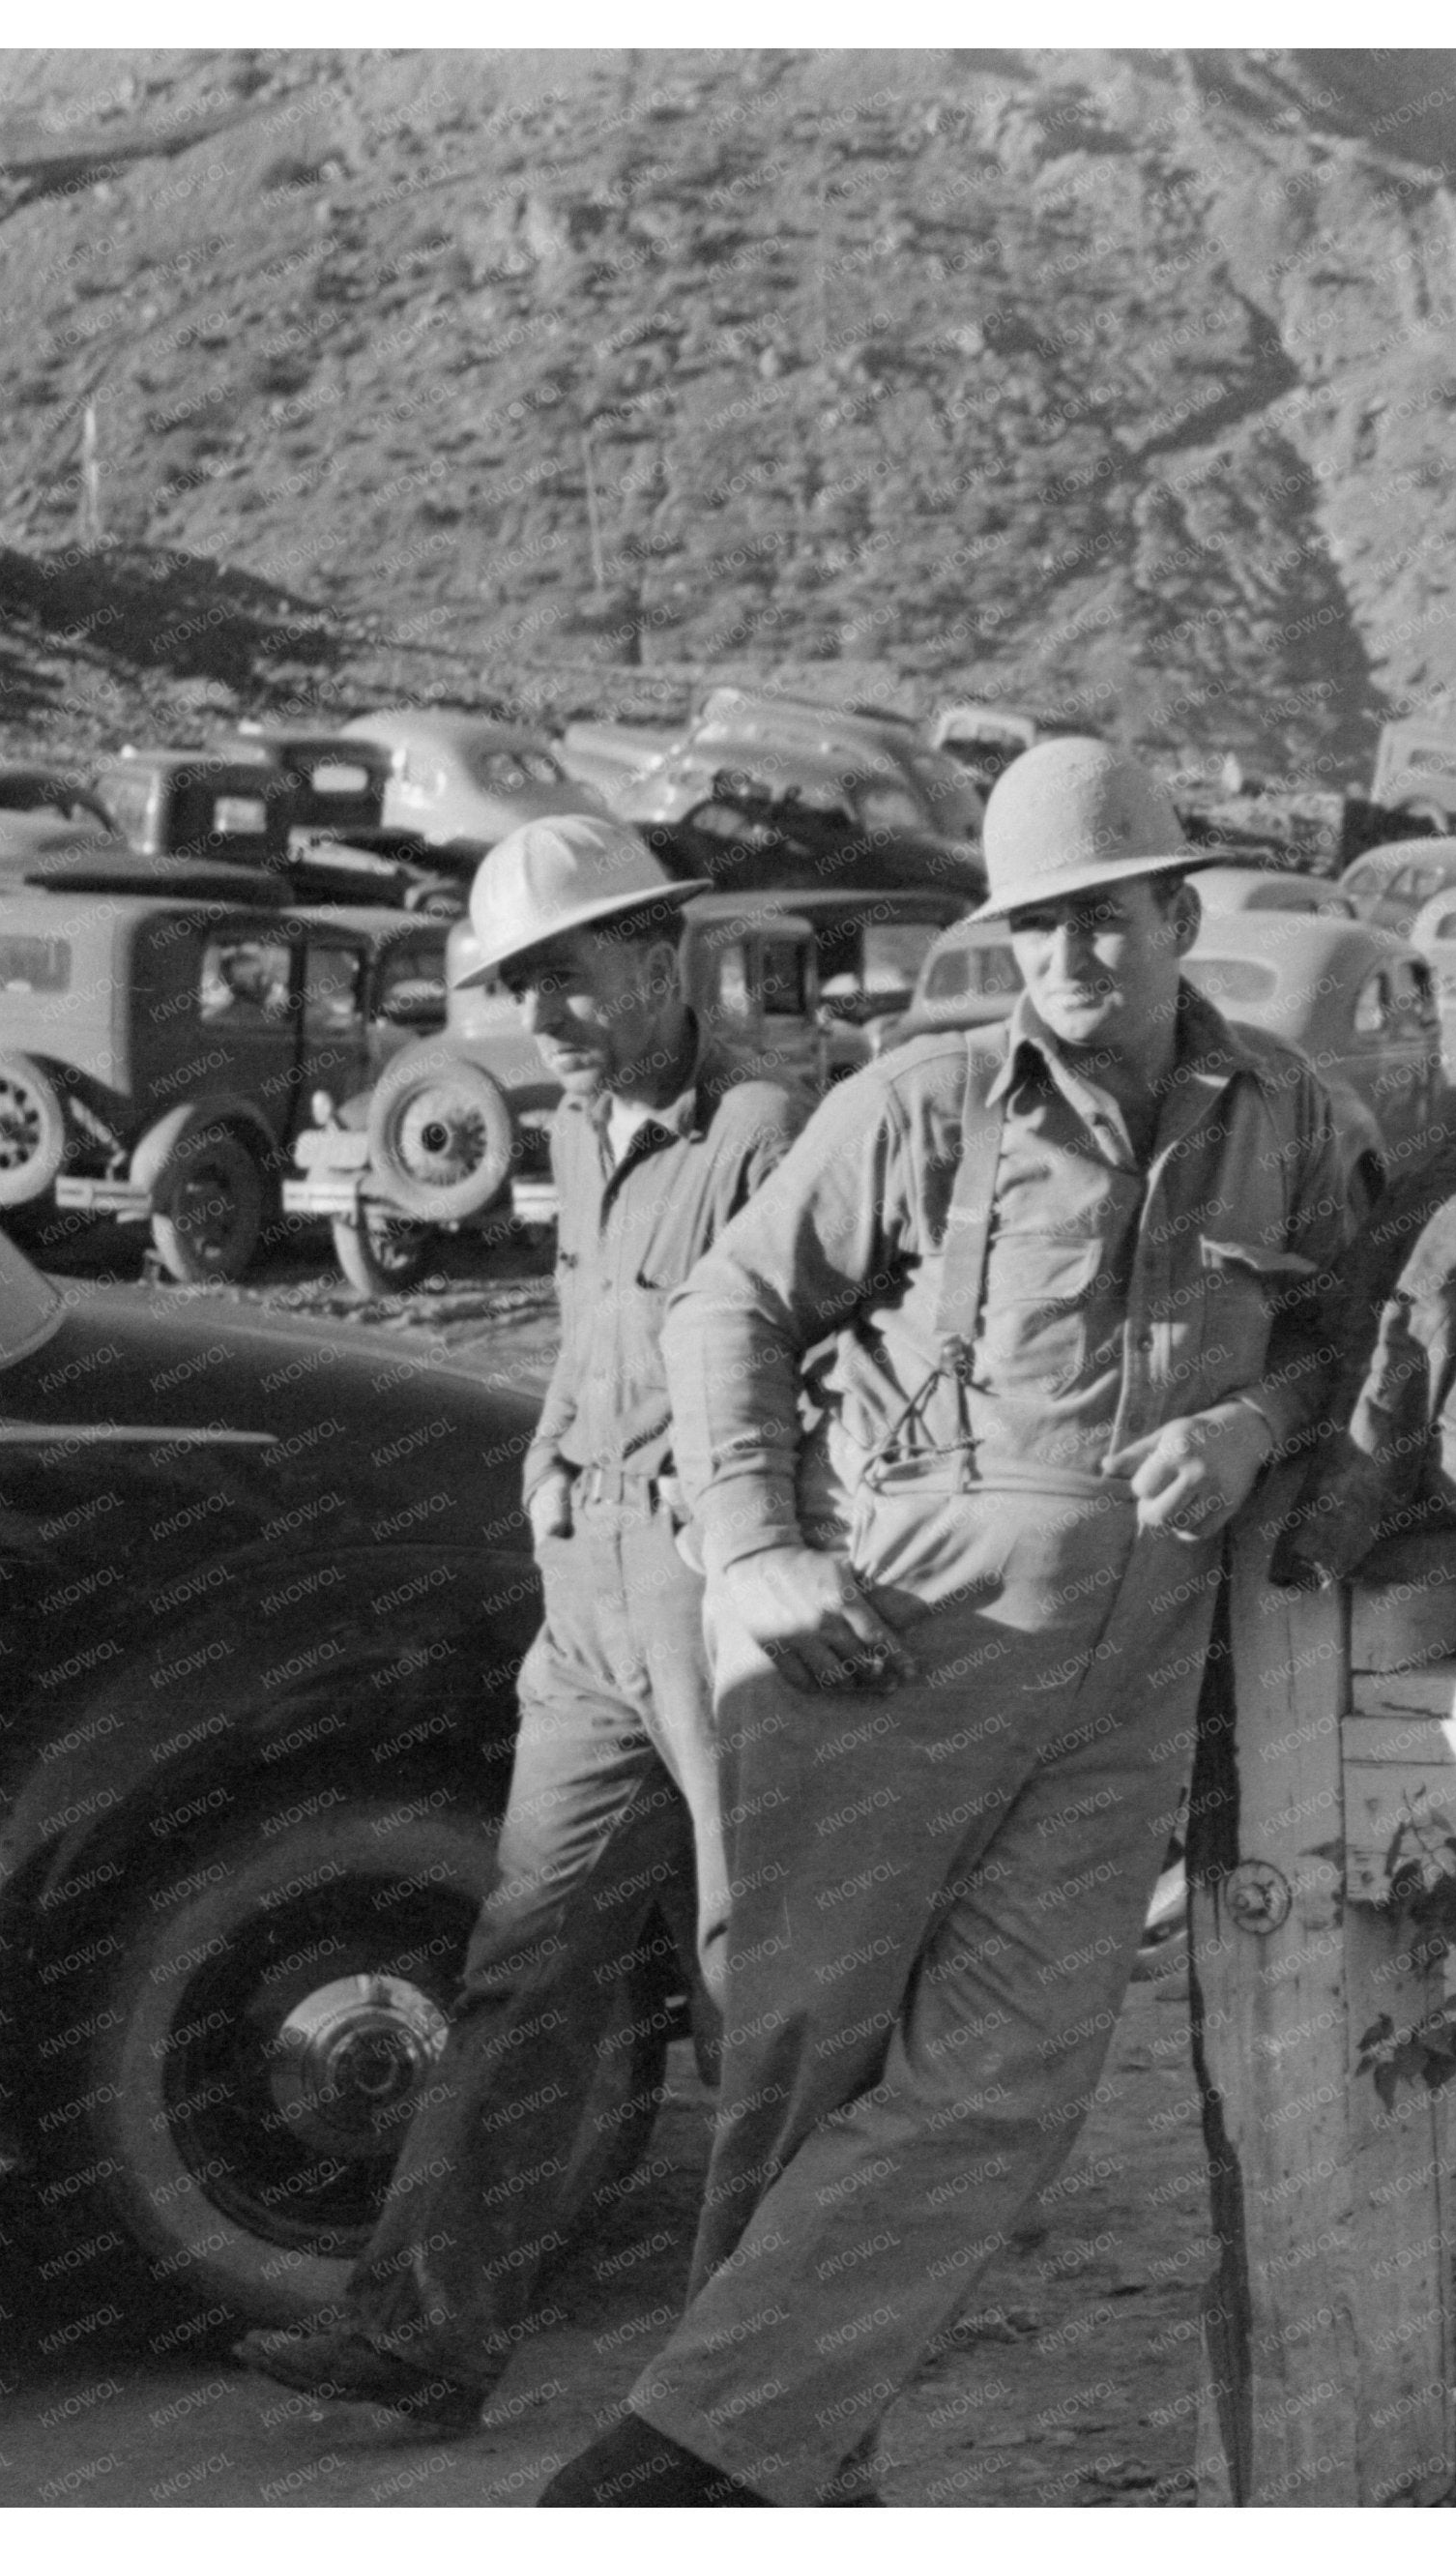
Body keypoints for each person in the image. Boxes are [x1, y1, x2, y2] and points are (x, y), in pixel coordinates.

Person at [539, 742, 1360, 2506]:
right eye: (1041, 928)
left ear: (1180, 916)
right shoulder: (925, 1105)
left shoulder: (1284, 1114)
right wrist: (754, 1552)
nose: (1075, 960)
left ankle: (685, 2463)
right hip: (889, 1646)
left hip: (1130, 1680)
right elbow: (726, 1310)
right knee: (799, 2069)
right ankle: (768, 2484)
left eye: (1107, 921)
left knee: (1004, 2091)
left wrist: (1258, 1421)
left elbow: (1356, 1335)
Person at [238, 816, 806, 2431]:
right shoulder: (575, 1129)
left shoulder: (766, 1130)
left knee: (746, 1978)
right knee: (524, 1963)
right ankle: (421, 2331)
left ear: (658, 957)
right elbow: (591, 1325)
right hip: (592, 1615)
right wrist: (554, 1465)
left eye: (564, 977)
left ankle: (748, 2384)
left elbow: (828, 1365)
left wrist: (747, 1553)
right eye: (517, 987)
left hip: (715, 1610)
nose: (542, 1018)